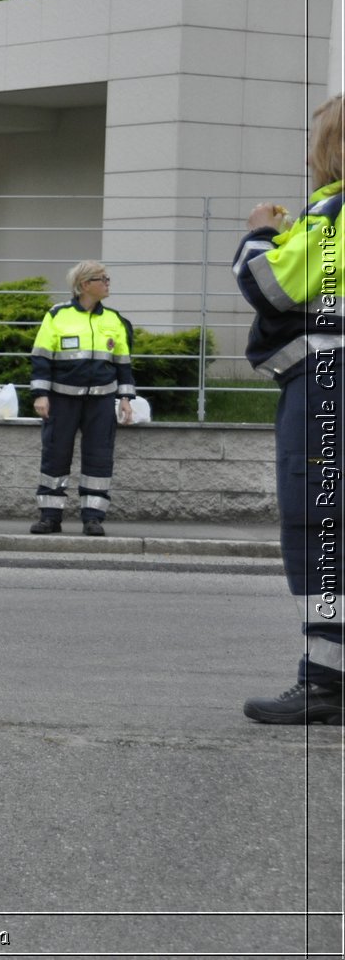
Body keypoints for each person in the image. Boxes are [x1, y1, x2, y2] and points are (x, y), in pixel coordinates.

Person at [234, 92, 344, 726]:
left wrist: (258, 235)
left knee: (317, 527)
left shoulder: (335, 209)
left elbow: (267, 287)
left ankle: (325, 683)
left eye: (317, 140)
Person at [27, 261, 136, 536]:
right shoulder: (57, 315)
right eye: (103, 279)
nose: (108, 283)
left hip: (101, 402)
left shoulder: (114, 319)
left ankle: (93, 518)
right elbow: (41, 358)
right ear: (85, 285)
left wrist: (125, 399)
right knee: (55, 457)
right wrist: (41, 394)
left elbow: (123, 364)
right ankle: (50, 517)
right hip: (62, 400)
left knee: (99, 459)